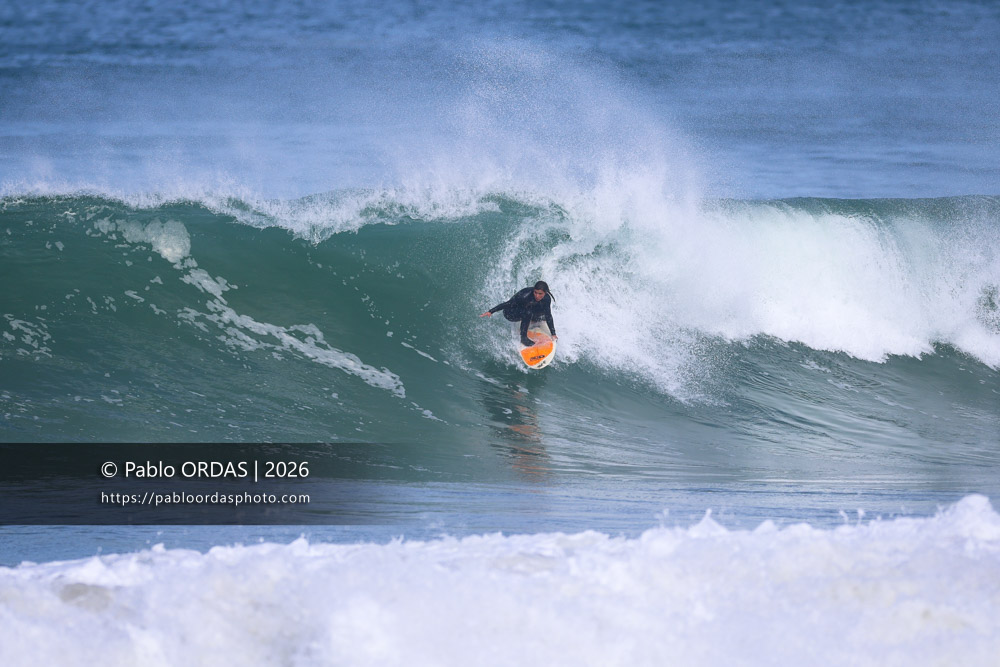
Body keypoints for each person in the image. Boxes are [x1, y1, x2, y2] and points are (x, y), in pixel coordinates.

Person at [481, 281, 558, 347]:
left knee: (543, 311)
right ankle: (523, 338)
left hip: (524, 308)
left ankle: (533, 319)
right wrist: (491, 311)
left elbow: (548, 315)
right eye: (535, 292)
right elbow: (507, 304)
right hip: (510, 312)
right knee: (528, 313)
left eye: (540, 293)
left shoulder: (547, 298)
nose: (537, 295)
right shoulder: (525, 295)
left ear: (545, 293)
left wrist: (553, 334)